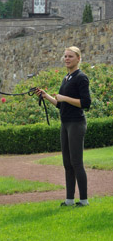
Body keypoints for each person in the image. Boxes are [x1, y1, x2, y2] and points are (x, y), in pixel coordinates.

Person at [36, 46, 91, 207]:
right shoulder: (66, 78)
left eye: (71, 56)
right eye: (65, 56)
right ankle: (69, 200)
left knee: (76, 162)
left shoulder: (81, 78)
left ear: (78, 59)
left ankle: (84, 200)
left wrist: (64, 98)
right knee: (67, 163)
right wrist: (46, 96)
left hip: (76, 123)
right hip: (65, 123)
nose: (67, 59)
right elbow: (60, 104)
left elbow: (86, 103)